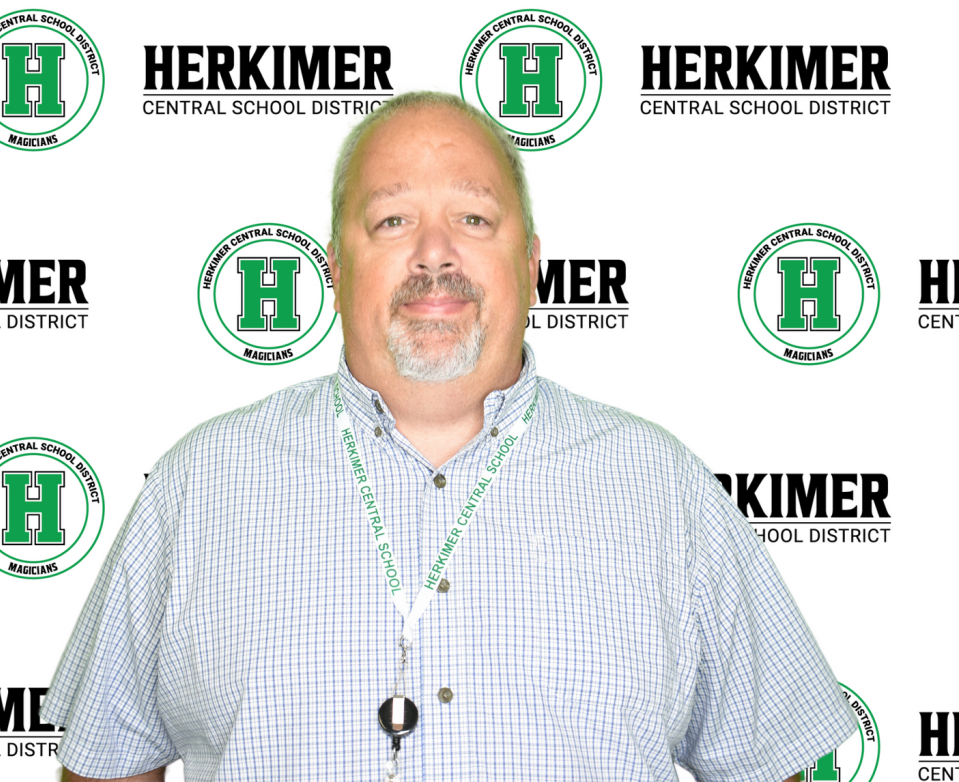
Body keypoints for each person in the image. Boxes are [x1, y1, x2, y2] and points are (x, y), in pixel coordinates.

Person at [42, 91, 856, 782]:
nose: (435, 254)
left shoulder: (662, 486)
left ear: (532, 263)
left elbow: (775, 759)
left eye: (473, 217)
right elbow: (105, 761)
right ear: (333, 267)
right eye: (392, 221)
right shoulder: (199, 485)